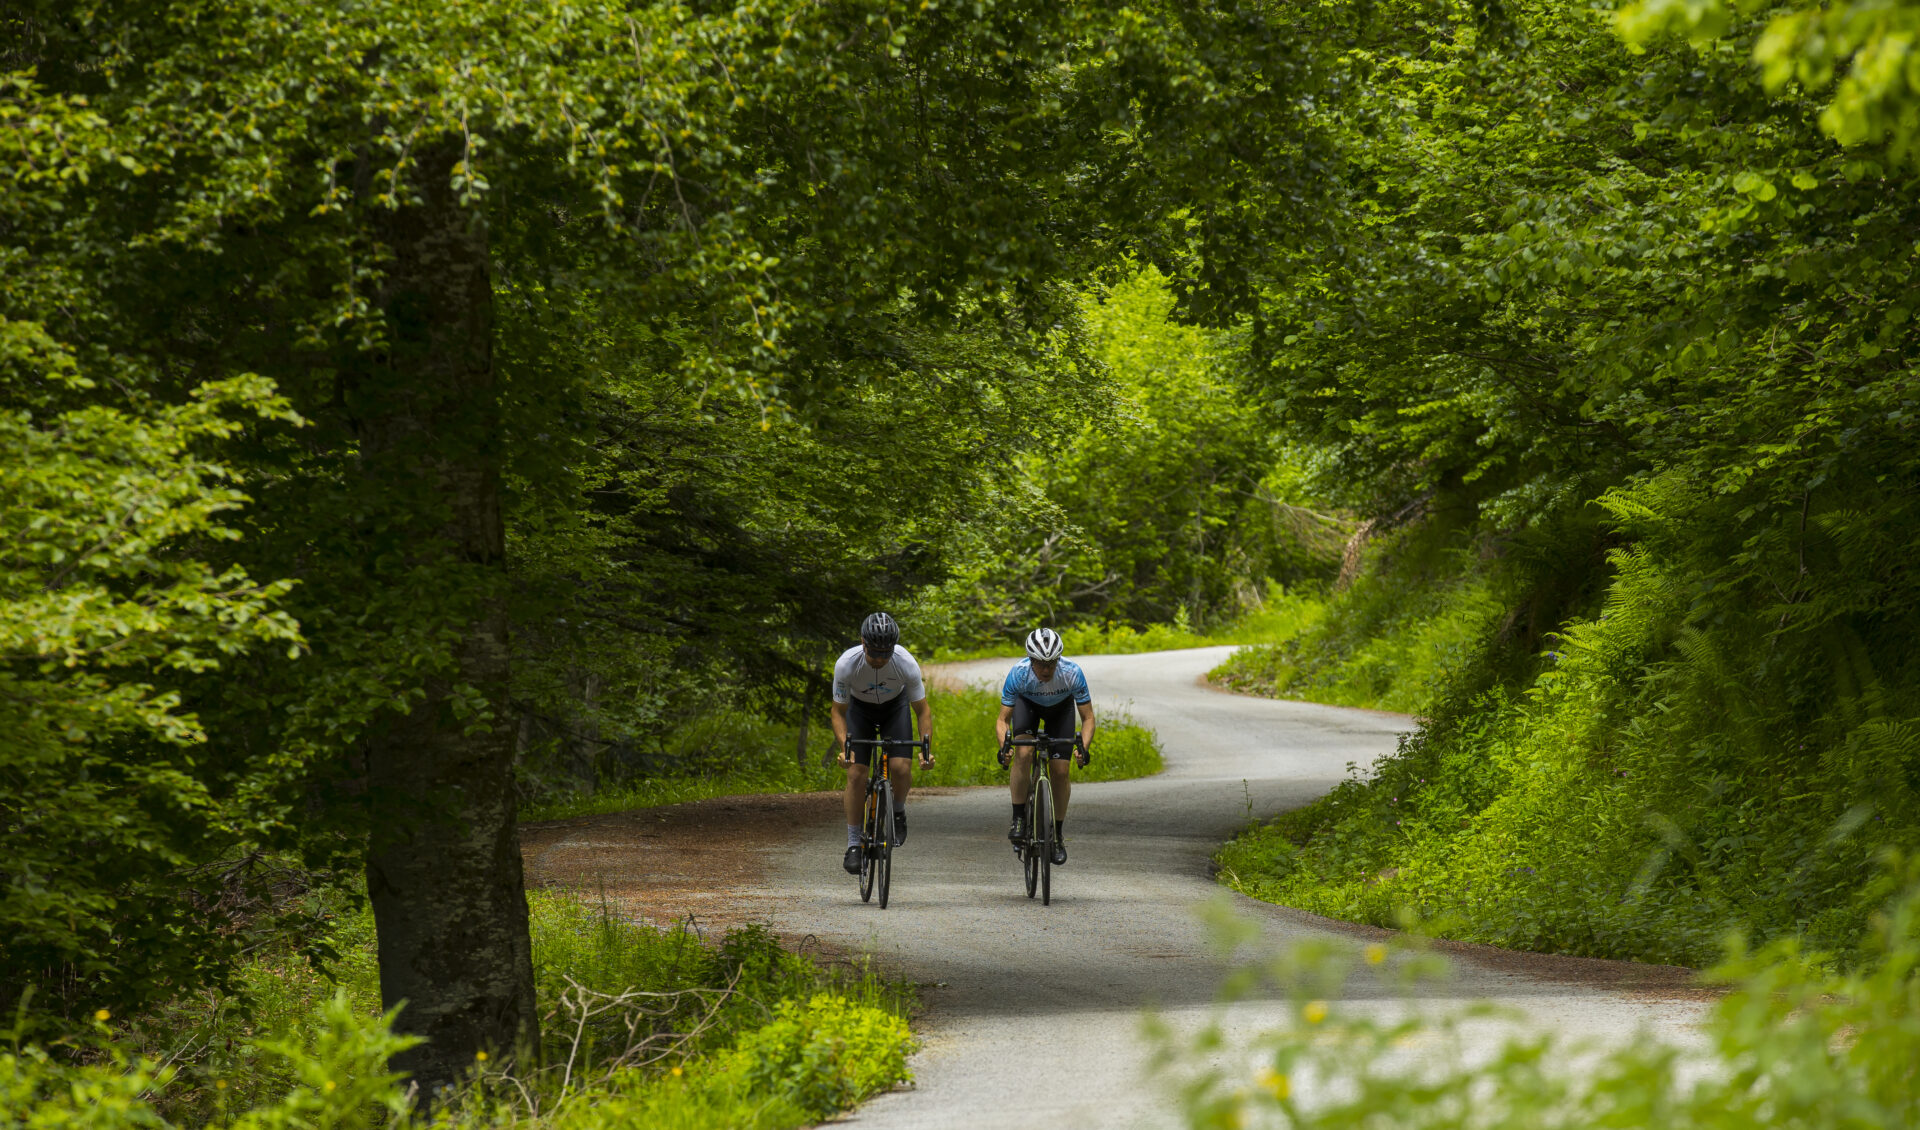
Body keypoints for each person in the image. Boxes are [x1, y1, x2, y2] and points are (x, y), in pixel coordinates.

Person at [832, 612, 934, 874]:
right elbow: (838, 712)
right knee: (856, 773)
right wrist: (845, 749)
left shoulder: (905, 663)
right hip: (859, 711)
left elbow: (922, 710)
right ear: (863, 643)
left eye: (885, 653)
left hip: (894, 709)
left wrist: (926, 751)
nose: (879, 659)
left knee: (900, 768)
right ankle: (853, 843)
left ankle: (897, 810)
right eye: (874, 653)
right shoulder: (846, 664)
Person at [995, 627, 1095, 865]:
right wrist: (1005, 747)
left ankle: (1057, 835)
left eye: (1051, 663)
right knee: (1024, 752)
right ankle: (1018, 818)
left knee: (1060, 771)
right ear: (1031, 660)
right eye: (1040, 664)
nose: (1046, 670)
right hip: (1027, 706)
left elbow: (1088, 718)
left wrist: (1083, 748)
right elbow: (1002, 720)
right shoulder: (1018, 673)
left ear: (1058, 659)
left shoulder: (1072, 673)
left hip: (1060, 711)